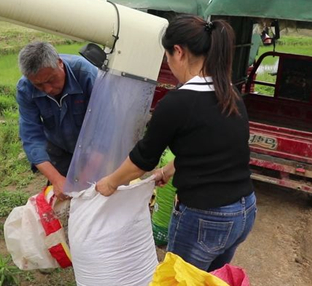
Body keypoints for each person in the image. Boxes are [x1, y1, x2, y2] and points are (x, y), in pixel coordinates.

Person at [96, 15, 256, 272]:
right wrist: (167, 171)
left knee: (178, 278)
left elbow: (141, 160)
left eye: (167, 57)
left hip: (207, 216)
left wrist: (109, 183)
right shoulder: (229, 93)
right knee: (208, 278)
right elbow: (208, 148)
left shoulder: (178, 103)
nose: (168, 64)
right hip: (243, 210)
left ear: (178, 52)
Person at [16, 41, 98, 200]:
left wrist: (83, 178)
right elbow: (32, 137)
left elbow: (106, 128)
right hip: (59, 149)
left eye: (51, 80)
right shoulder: (25, 88)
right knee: (62, 196)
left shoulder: (86, 74)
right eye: (38, 85)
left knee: (95, 194)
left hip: (93, 149)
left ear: (59, 63)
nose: (47, 89)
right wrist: (57, 179)